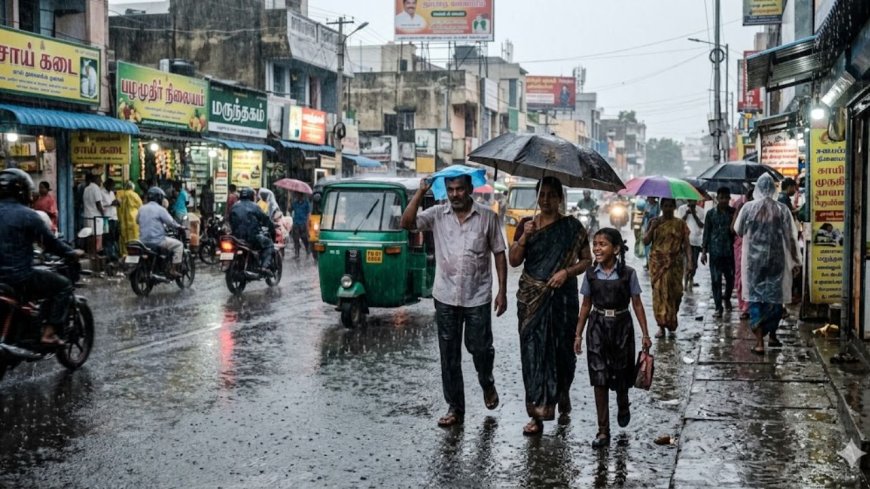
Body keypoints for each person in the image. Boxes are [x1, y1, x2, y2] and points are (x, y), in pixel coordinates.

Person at [400, 174, 507, 428]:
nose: (455, 194)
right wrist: (420, 192)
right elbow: (407, 223)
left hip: (477, 296)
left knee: (480, 348)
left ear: (470, 189)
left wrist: (502, 291)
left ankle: (486, 382)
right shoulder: (437, 214)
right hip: (446, 296)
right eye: (451, 189)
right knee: (449, 355)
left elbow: (499, 254)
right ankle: (455, 408)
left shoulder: (487, 217)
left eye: (460, 189)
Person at [509, 176, 592, 436]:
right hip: (532, 300)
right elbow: (513, 260)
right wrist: (524, 238)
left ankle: (562, 390)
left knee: (562, 354)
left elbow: (587, 261)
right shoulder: (527, 224)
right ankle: (536, 415)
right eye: (541, 194)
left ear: (560, 199)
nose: (545, 200)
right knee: (533, 355)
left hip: (562, 299)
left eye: (551, 195)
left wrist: (566, 272)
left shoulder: (572, 227)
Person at [575, 228, 651, 448]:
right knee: (599, 377)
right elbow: (586, 305)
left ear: (616, 249)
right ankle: (602, 431)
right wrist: (578, 334)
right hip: (597, 327)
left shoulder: (628, 274)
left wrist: (645, 333)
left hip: (622, 328)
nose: (597, 248)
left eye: (602, 244)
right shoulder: (590, 274)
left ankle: (623, 400)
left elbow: (637, 304)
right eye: (595, 244)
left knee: (622, 374)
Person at [0, 169, 81, 345]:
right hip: (18, 278)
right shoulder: (28, 215)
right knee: (63, 286)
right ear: (23, 192)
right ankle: (48, 333)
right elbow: (50, 243)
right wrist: (71, 253)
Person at [735, 174, 800, 354]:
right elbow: (791, 238)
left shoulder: (748, 208)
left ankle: (759, 343)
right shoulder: (782, 210)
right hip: (776, 262)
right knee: (774, 300)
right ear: (773, 189)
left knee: (756, 299)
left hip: (754, 263)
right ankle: (772, 335)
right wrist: (795, 261)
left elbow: (739, 231)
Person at [643, 198, 693, 338]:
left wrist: (690, 261)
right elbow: (645, 241)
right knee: (659, 295)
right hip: (658, 264)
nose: (668, 208)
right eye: (665, 206)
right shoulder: (654, 222)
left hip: (675, 264)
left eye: (671, 206)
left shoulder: (680, 224)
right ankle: (661, 326)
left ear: (674, 207)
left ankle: (671, 318)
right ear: (661, 207)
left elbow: (687, 245)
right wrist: (652, 228)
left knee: (676, 294)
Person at [700, 188, 736, 318]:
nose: (724, 200)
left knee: (730, 279)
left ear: (729, 198)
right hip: (714, 252)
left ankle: (726, 297)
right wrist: (704, 251)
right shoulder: (710, 214)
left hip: (730, 252)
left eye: (726, 198)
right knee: (716, 280)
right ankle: (718, 307)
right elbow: (706, 233)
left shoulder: (733, 213)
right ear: (717, 198)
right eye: (721, 198)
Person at [138, 187, 185, 278]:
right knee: (179, 245)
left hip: (142, 241)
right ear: (159, 198)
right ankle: (173, 269)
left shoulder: (142, 208)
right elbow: (171, 222)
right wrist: (179, 227)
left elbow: (137, 220)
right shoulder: (160, 209)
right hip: (157, 240)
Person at [230, 187, 276, 274]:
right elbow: (265, 219)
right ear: (251, 196)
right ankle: (264, 267)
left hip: (236, 237)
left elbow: (230, 220)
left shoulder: (234, 206)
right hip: (251, 237)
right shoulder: (255, 206)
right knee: (269, 244)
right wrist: (271, 228)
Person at [732, 185, 754, 320]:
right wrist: (738, 212)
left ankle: (751, 306)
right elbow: (734, 229)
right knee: (741, 278)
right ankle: (744, 307)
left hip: (754, 247)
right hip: (741, 247)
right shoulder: (742, 209)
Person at [677, 199, 705, 288]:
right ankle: (685, 283)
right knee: (686, 263)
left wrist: (694, 214)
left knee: (694, 264)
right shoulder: (682, 209)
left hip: (696, 241)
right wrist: (686, 214)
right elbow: (678, 223)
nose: (692, 202)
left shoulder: (701, 211)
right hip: (684, 240)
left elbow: (701, 225)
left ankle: (691, 277)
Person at [117, 181, 142, 257]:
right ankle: (134, 254)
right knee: (134, 238)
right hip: (133, 220)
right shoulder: (135, 195)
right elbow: (141, 206)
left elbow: (118, 208)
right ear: (132, 188)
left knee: (124, 237)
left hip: (123, 220)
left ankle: (125, 254)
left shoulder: (120, 195)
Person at [82, 173, 105, 245]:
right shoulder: (96, 188)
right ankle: (96, 253)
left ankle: (90, 253)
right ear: (96, 179)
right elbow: (98, 203)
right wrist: (103, 213)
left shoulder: (86, 188)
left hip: (87, 215)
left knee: (89, 235)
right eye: (100, 179)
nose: (101, 182)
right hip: (96, 216)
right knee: (96, 235)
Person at [102, 178, 120, 260]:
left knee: (114, 237)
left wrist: (117, 203)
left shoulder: (112, 193)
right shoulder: (101, 192)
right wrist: (110, 204)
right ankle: (108, 255)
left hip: (114, 217)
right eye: (112, 186)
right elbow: (100, 205)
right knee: (108, 237)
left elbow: (114, 203)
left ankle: (113, 254)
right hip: (107, 218)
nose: (113, 187)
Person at [640, 196, 660, 269]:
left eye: (651, 198)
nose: (650, 199)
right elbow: (644, 214)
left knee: (654, 244)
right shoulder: (646, 204)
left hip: (655, 225)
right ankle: (648, 262)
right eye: (649, 198)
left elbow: (658, 215)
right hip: (647, 225)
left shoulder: (657, 205)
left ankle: (652, 260)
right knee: (646, 245)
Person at [290, 192, 311, 258]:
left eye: (298, 195)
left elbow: (308, 213)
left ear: (301, 195)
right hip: (296, 223)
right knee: (296, 239)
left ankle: (307, 249)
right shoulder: (295, 203)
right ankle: (297, 253)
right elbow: (290, 209)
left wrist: (307, 222)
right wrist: (290, 202)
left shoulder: (306, 203)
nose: (297, 196)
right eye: (296, 195)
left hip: (303, 223)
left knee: (304, 238)